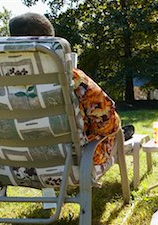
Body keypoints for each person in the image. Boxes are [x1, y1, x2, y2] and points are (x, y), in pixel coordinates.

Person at [9, 13, 122, 172]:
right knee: (111, 123)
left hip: (15, 160)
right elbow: (107, 117)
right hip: (74, 160)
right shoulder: (70, 76)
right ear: (51, 41)